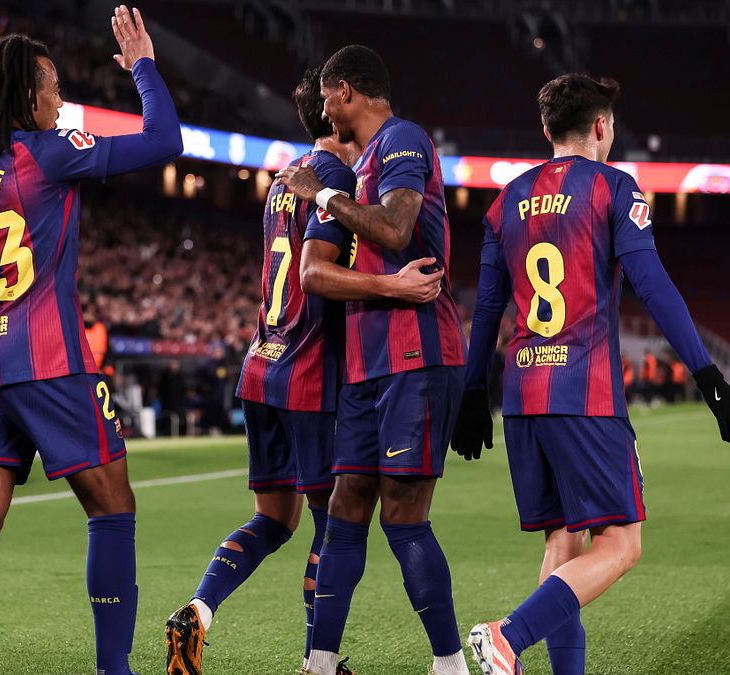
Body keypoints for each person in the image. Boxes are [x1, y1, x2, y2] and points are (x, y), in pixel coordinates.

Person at [451, 73, 730, 675]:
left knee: (564, 544)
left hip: (523, 393)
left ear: (546, 131)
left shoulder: (505, 201)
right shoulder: (614, 187)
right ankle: (507, 635)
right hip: (584, 392)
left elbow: (486, 309)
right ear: (600, 126)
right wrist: (707, 374)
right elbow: (652, 284)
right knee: (621, 545)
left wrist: (472, 392)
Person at [0, 8, 181, 675]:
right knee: (112, 505)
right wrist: (144, 67)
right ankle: (114, 668)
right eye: (53, 89)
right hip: (49, 359)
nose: (60, 102)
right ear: (25, 96)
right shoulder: (48, 152)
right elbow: (164, 140)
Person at [275, 45, 470, 675]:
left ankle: (449, 665)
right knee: (346, 507)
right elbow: (314, 275)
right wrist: (332, 200)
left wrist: (323, 197)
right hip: (365, 363)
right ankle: (320, 663)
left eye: (326, 97)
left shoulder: (402, 139)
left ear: (345, 92)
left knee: (404, 516)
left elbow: (394, 228)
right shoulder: (352, 169)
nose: (322, 109)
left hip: (418, 353)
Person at [164, 66, 365, 675]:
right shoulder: (334, 180)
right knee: (332, 525)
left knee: (274, 518)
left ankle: (199, 610)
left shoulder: (283, 180)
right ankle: (316, 661)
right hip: (309, 371)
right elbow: (320, 274)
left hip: (262, 363)